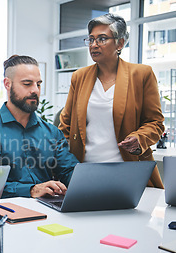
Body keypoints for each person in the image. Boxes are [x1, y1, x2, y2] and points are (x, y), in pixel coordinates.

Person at [59, 13, 164, 188]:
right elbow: (65, 126)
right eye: (91, 39)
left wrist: (139, 138)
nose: (94, 45)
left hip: (127, 172)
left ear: (120, 43)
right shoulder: (79, 77)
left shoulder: (142, 74)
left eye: (102, 39)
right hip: (85, 173)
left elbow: (156, 123)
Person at [0, 55, 79, 198]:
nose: (35, 90)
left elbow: (69, 172)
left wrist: (87, 180)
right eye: (27, 84)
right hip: (7, 212)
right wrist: (32, 189)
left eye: (38, 84)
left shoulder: (52, 133)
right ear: (7, 84)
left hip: (49, 210)